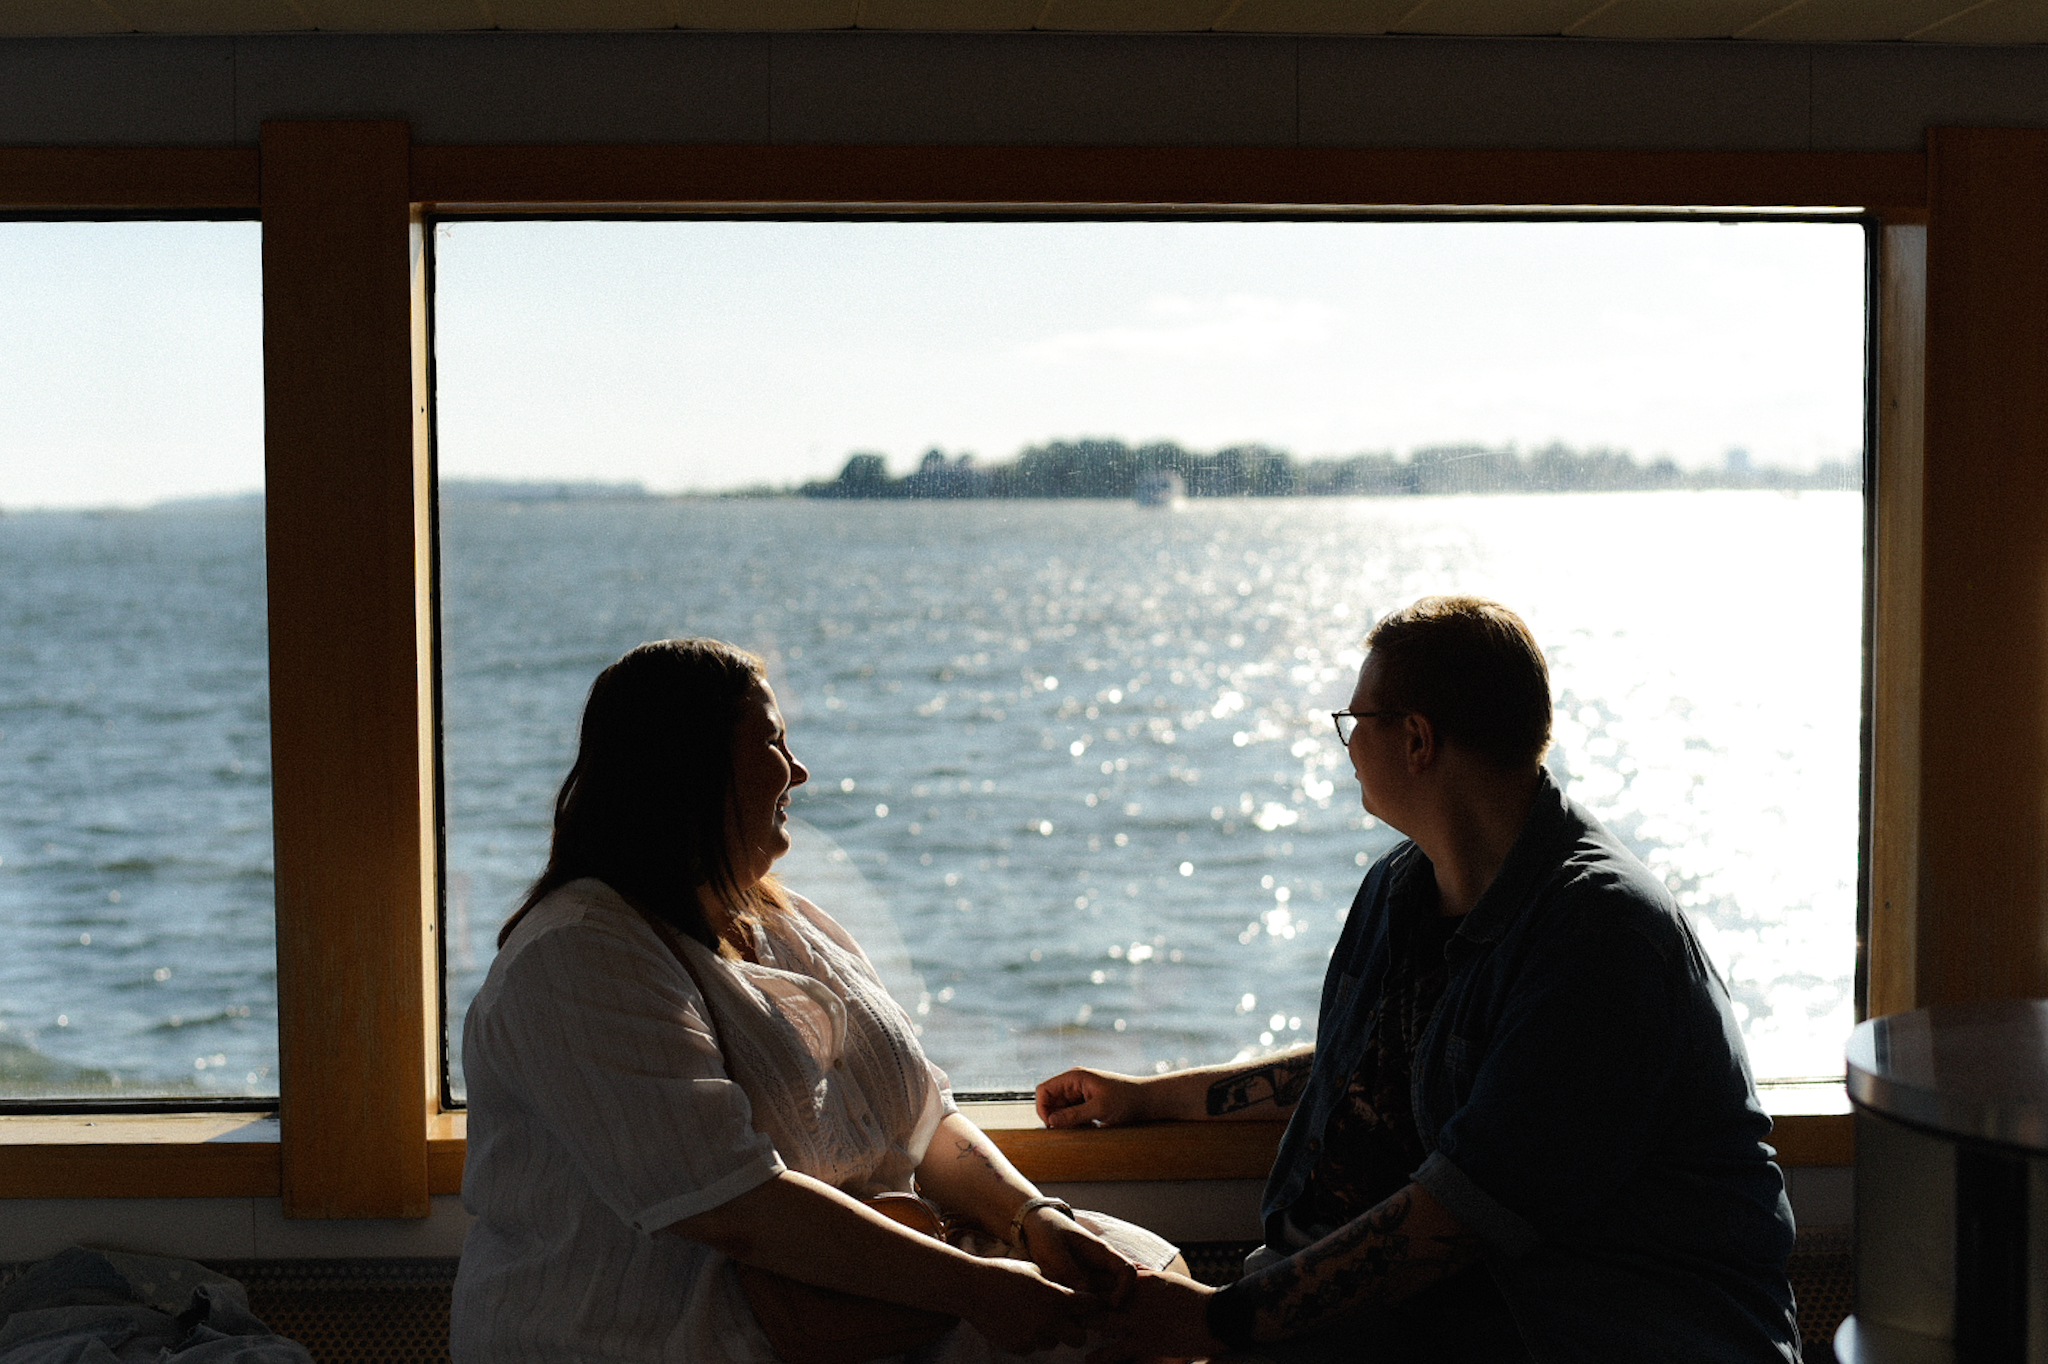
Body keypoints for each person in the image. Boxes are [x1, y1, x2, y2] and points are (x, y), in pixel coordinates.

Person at [1039, 596, 1801, 1363]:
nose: (1346, 746)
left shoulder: (1602, 939)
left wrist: (1213, 1320)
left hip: (1592, 1331)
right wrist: (1148, 1099)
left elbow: (1455, 1221)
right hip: (1440, 1321)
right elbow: (1373, 1067)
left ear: (1416, 739)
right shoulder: (1402, 887)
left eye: (1355, 722)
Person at [451, 638, 1178, 1364]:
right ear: (694, 770)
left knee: (1149, 1277)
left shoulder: (788, 923)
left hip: (856, 1317)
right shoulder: (579, 957)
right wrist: (979, 1290)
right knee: (1131, 1333)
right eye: (773, 743)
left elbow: (927, 1120)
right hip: (673, 1339)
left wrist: (1036, 1220)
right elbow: (739, 1206)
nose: (798, 770)